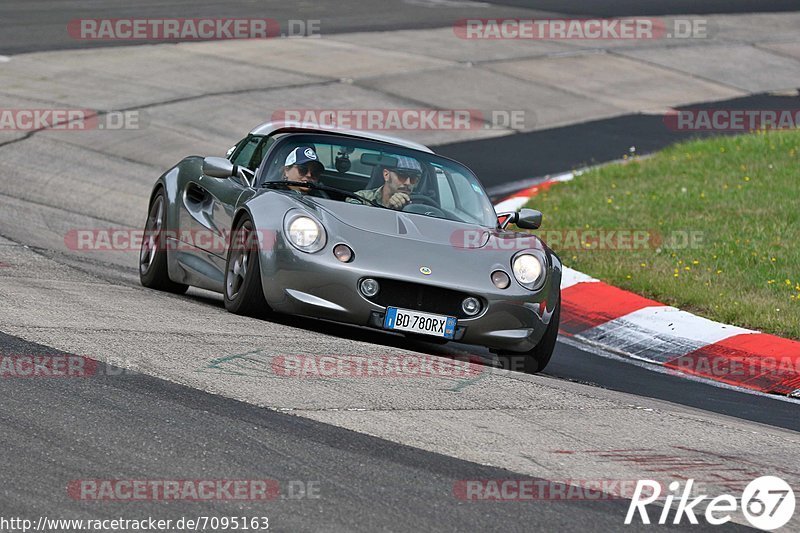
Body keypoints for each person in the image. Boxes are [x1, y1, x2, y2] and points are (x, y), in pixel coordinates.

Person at [354, 156, 423, 209]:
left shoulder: (419, 208)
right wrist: (388, 208)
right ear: (386, 175)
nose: (408, 183)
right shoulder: (362, 198)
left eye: (413, 178)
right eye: (402, 176)